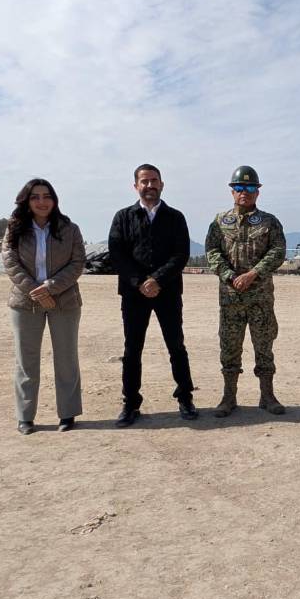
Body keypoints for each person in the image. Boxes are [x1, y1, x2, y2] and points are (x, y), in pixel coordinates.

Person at [108, 163, 198, 427]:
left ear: (162, 184)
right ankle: (130, 403)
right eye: (144, 181)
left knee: (176, 346)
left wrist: (157, 280)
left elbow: (181, 254)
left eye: (154, 180)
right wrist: (140, 282)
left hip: (168, 291)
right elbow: (117, 254)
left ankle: (185, 398)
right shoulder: (123, 217)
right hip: (133, 294)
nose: (150, 186)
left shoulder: (175, 217)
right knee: (132, 349)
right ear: (135, 186)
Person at [2, 178, 85, 435]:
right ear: (27, 200)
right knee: (26, 361)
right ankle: (25, 416)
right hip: (25, 303)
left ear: (54, 200)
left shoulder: (69, 228)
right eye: (35, 196)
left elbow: (78, 262)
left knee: (66, 358)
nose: (41, 201)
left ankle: (68, 414)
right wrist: (34, 290)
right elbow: (9, 260)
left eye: (46, 196)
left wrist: (50, 286)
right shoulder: (15, 228)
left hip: (65, 302)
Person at [205, 165, 287, 417]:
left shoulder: (269, 222)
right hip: (231, 298)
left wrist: (253, 274)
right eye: (239, 188)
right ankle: (229, 397)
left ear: (257, 192)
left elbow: (277, 251)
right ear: (232, 191)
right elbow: (212, 252)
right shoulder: (220, 222)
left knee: (264, 346)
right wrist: (231, 276)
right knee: (230, 347)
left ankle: (267, 396)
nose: (245, 193)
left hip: (260, 298)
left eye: (250, 188)